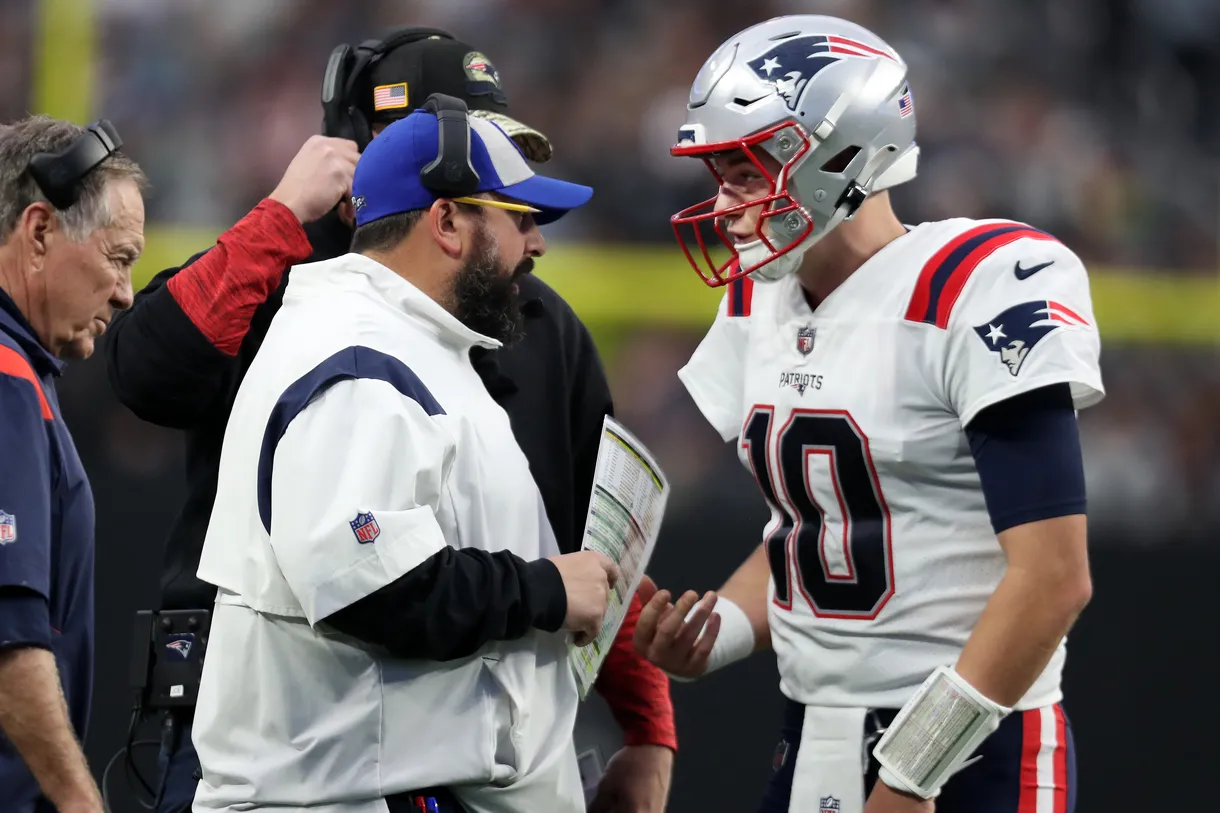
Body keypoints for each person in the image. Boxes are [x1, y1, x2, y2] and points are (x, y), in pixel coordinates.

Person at [104, 28, 675, 813]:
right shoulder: (306, 297)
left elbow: (593, 543)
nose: (533, 241)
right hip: (305, 743)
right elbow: (145, 373)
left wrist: (648, 726)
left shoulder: (527, 319)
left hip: (456, 753)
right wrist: (279, 217)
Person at [634, 14, 1100, 813]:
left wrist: (914, 771)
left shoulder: (977, 285)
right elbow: (818, 534)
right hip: (813, 738)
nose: (726, 204)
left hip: (974, 747)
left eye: (745, 172)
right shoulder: (758, 301)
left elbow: (1055, 579)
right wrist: (721, 634)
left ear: (836, 156)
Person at [189, 100, 615, 813]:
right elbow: (371, 584)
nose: (536, 245)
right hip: (347, 792)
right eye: (519, 217)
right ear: (445, 222)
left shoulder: (414, 342)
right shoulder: (359, 358)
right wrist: (546, 588)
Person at [0, 115, 146, 813]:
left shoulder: (24, 372)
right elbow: (9, 643)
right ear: (38, 232)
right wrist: (80, 802)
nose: (123, 292)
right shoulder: (5, 379)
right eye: (118, 258)